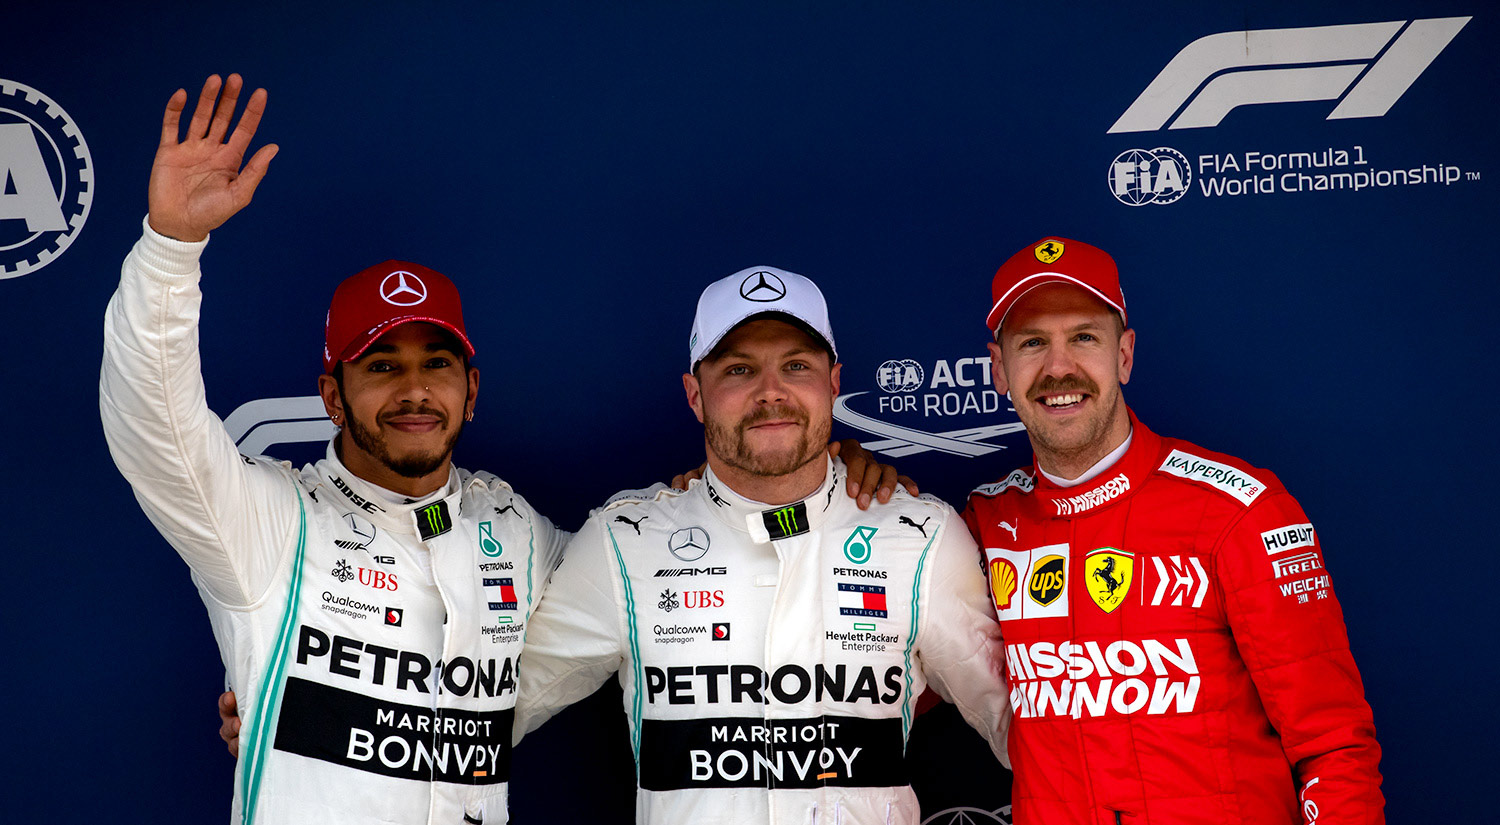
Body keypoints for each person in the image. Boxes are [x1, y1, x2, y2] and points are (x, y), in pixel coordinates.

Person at [103, 76, 906, 824]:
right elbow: (155, 422)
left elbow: (658, 563)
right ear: (331, 394)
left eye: (436, 365)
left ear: (472, 389)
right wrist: (171, 249)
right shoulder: (268, 521)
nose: (414, 390)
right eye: (382, 367)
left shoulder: (515, 532)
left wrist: (810, 477)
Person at [514, 265, 1010, 824]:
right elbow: (477, 713)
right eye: (739, 370)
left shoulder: (921, 538)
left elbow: (1031, 731)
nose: (770, 392)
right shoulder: (625, 544)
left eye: (796, 365)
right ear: (695, 394)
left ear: (834, 383)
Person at [962, 238, 1384, 824]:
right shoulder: (982, 526)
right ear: (999, 369)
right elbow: (886, 673)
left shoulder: (1238, 509)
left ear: (1125, 355)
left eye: (1084, 336)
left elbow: (1334, 747)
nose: (1059, 367)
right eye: (1033, 343)